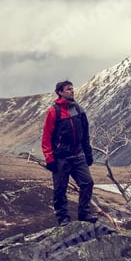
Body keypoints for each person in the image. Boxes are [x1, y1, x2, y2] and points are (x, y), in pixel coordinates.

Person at [42, 80, 97, 226]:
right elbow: (46, 136)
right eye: (68, 89)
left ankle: (84, 214)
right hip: (61, 158)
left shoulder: (78, 109)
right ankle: (63, 219)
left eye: (72, 89)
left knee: (88, 183)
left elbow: (85, 133)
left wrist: (88, 153)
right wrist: (50, 159)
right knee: (60, 189)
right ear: (60, 92)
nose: (72, 91)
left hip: (78, 155)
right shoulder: (54, 111)